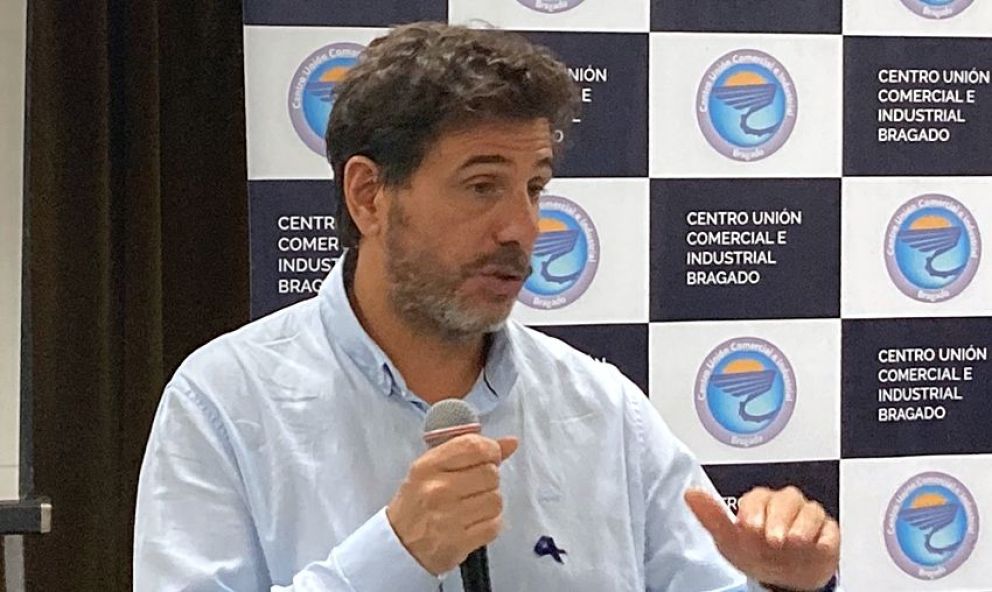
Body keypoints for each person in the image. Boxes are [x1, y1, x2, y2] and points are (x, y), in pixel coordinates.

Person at [133, 22, 840, 592]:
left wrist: (783, 583)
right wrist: (395, 554)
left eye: (534, 188)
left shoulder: (602, 411)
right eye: (482, 187)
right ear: (369, 197)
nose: (521, 228)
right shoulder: (227, 401)